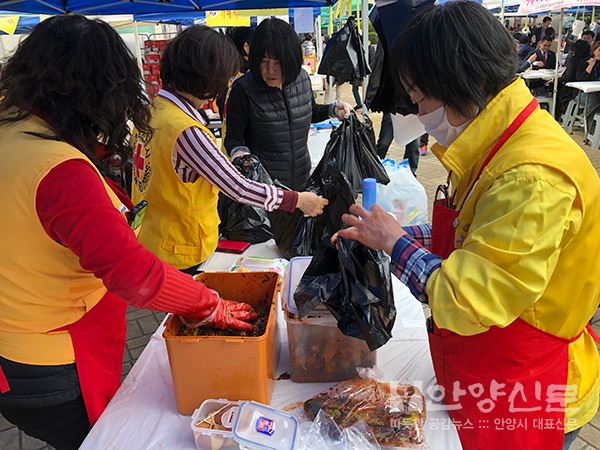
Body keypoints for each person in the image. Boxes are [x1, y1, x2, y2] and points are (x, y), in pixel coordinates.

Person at [337, 2, 599, 450]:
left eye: (421, 98)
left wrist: (396, 243)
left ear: (461, 82)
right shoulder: (496, 143)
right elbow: (474, 238)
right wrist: (391, 232)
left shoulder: (531, 176)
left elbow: (465, 297)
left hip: (528, 384)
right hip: (486, 365)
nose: (419, 114)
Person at [0, 16, 258, 450]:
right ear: (96, 91)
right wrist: (208, 303)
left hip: (13, 355)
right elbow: (134, 275)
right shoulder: (59, 171)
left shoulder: (10, 132)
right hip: (54, 361)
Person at [132, 26, 328, 273]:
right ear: (206, 78)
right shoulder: (187, 131)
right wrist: (296, 200)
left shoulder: (152, 111)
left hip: (153, 238)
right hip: (181, 247)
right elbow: (237, 186)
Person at [224, 18, 351, 244]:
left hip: (302, 182)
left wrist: (333, 110)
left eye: (278, 62)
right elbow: (233, 138)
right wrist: (241, 156)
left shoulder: (301, 79)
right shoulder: (243, 90)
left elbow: (309, 111)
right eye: (263, 62)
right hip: (266, 195)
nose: (270, 71)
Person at [555, 39, 591, 119]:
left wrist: (556, 79)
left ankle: (557, 114)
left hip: (571, 90)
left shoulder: (573, 60)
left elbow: (568, 76)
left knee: (556, 90)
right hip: (582, 90)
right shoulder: (588, 61)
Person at [576, 40, 600, 130]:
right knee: (596, 100)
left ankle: (593, 129)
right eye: (599, 50)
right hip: (583, 93)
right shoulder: (585, 61)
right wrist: (590, 66)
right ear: (594, 50)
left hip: (597, 92)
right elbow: (580, 79)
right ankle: (584, 117)